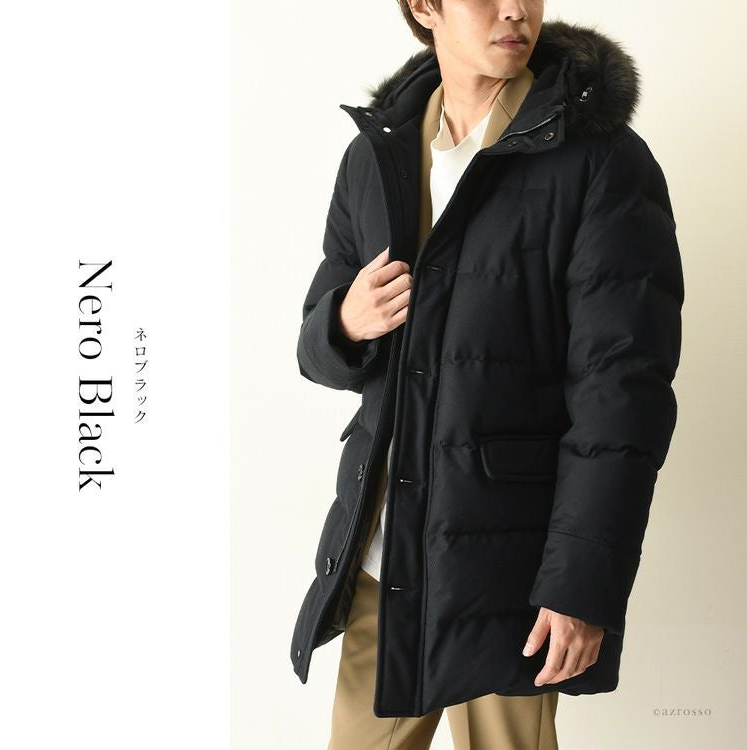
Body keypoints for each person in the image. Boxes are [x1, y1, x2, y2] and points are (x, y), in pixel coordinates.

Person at [289, 2, 684, 748]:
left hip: (511, 579)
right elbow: (316, 349)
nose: (515, 9)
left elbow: (622, 396)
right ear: (425, 7)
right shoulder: (378, 155)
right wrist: (344, 322)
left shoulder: (599, 160)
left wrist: (580, 583)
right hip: (384, 565)